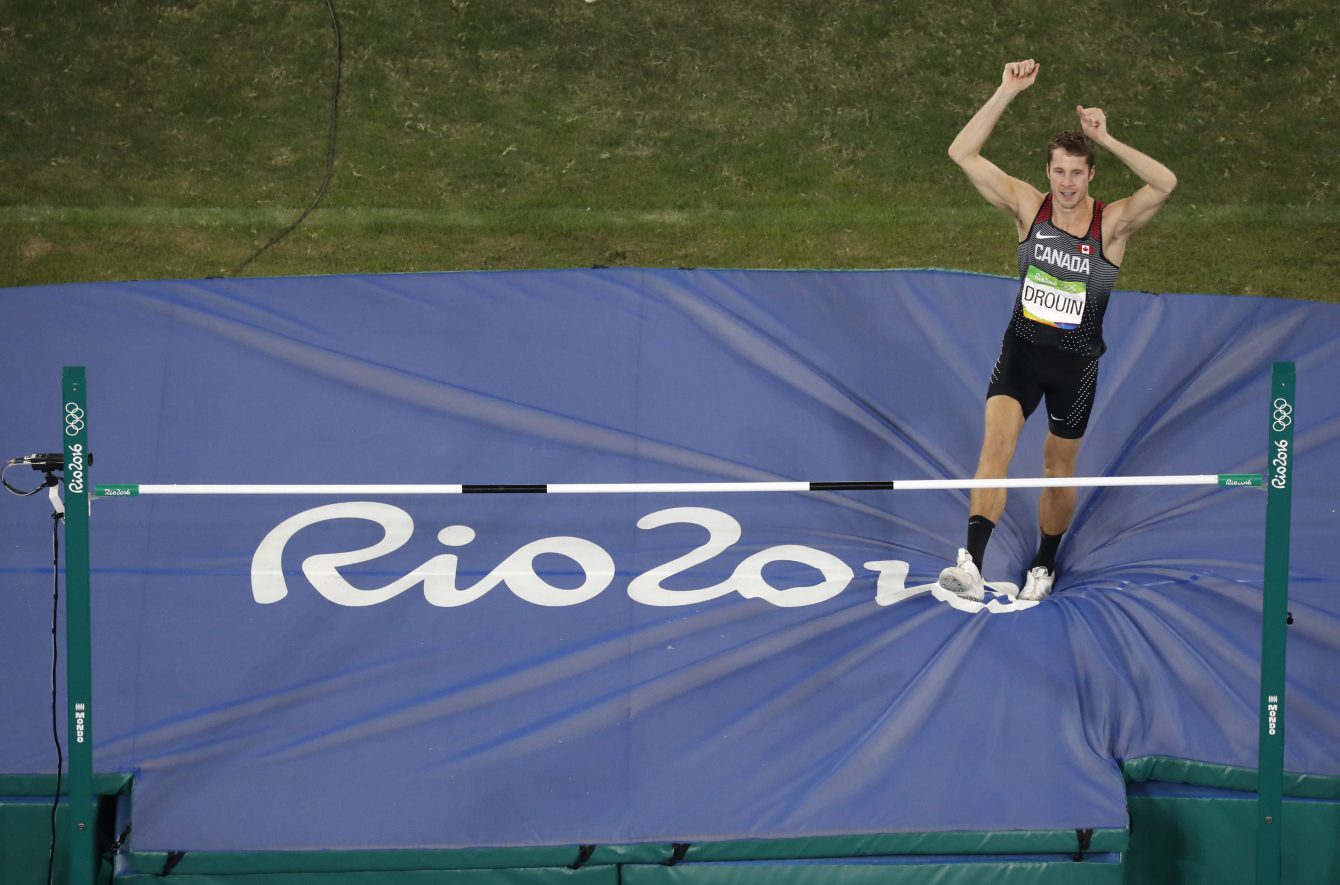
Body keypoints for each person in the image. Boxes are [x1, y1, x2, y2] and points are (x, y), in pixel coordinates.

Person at [939, 59, 1177, 602]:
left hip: (1075, 367)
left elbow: (1165, 183)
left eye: (1076, 172)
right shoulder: (1030, 208)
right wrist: (1005, 91)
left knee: (1056, 467)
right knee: (996, 443)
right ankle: (971, 565)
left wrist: (1106, 138)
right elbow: (961, 153)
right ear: (1047, 173)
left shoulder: (1111, 225)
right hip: (1021, 354)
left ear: (1090, 175)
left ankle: (1044, 564)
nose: (1067, 183)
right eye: (1059, 172)